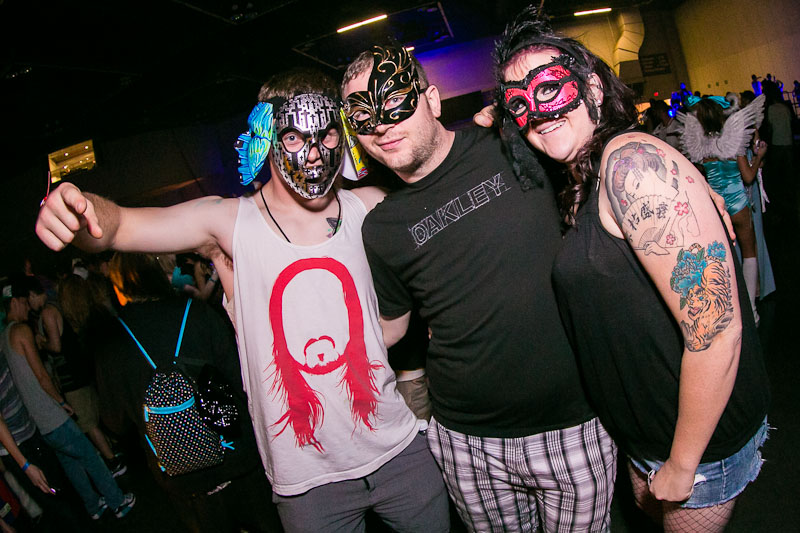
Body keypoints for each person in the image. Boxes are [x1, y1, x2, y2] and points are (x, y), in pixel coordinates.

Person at [34, 68, 449, 533]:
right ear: (268, 137)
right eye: (294, 138)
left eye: (328, 135)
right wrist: (80, 209)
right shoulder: (229, 224)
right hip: (309, 484)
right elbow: (121, 226)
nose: (314, 153)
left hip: (398, 452)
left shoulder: (368, 205)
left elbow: (437, 210)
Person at [492, 7, 769, 533]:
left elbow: (717, 330)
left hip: (698, 445)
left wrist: (683, 463)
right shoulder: (585, 177)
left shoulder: (631, 163)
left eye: (549, 88)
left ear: (593, 89)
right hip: (648, 435)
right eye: (518, 104)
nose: (538, 113)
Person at [343, 45, 616, 532]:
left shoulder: (512, 140)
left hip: (573, 422)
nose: (381, 126)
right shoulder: (382, 228)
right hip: (467, 441)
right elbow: (390, 329)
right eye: (364, 118)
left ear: (431, 99)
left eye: (396, 102)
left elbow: (595, 142)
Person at [93, 252, 282, 533]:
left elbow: (114, 422)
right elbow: (241, 377)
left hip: (185, 480)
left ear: (119, 287)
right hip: (239, 460)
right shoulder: (196, 312)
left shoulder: (112, 342)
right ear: (157, 275)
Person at [2, 281, 135, 520]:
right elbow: (41, 374)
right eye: (24, 303)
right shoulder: (21, 331)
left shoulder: (4, 336)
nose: (28, 308)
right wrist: (61, 401)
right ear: (14, 302)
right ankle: (117, 501)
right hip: (48, 409)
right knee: (89, 455)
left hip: (36, 418)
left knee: (70, 461)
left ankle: (94, 506)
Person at [677, 94, 766, 323]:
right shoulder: (733, 143)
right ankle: (752, 311)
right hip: (739, 205)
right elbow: (748, 177)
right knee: (749, 253)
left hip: (717, 208)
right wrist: (759, 157)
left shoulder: (702, 147)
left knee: (724, 258)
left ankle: (731, 308)